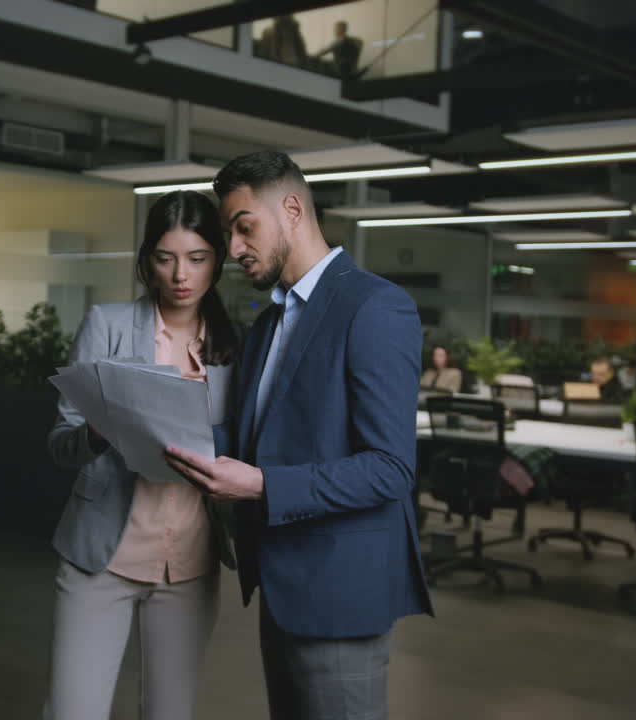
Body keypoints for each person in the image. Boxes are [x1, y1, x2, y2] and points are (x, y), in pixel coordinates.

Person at [164, 151, 433, 720]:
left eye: (244, 227)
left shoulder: (376, 306)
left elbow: (391, 469)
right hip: (283, 584)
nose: (233, 248)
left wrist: (261, 485)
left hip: (340, 593)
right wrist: (160, 426)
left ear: (291, 209)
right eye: (229, 232)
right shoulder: (270, 321)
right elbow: (252, 433)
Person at [44, 190, 242, 720]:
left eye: (197, 259)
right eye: (166, 258)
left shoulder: (234, 345)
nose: (181, 275)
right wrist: (102, 431)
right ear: (146, 261)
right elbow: (61, 442)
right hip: (101, 555)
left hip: (190, 563)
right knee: (73, 712)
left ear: (217, 262)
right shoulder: (107, 326)